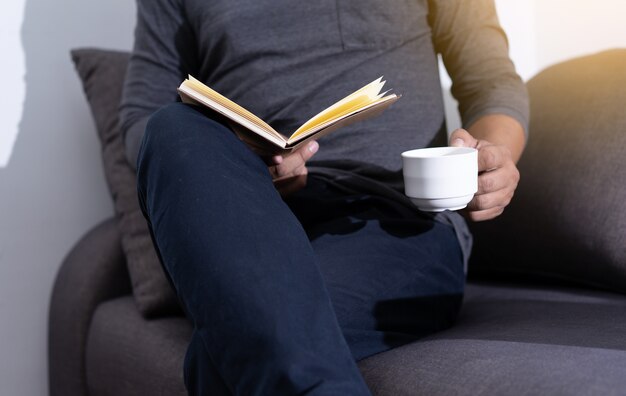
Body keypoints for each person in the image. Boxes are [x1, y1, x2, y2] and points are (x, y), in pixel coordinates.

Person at [120, 0, 528, 394]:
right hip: (245, 218)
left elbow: (491, 80)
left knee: (222, 357)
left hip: (393, 220)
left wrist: (494, 154)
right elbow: (139, 116)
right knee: (169, 127)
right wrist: (246, 157)